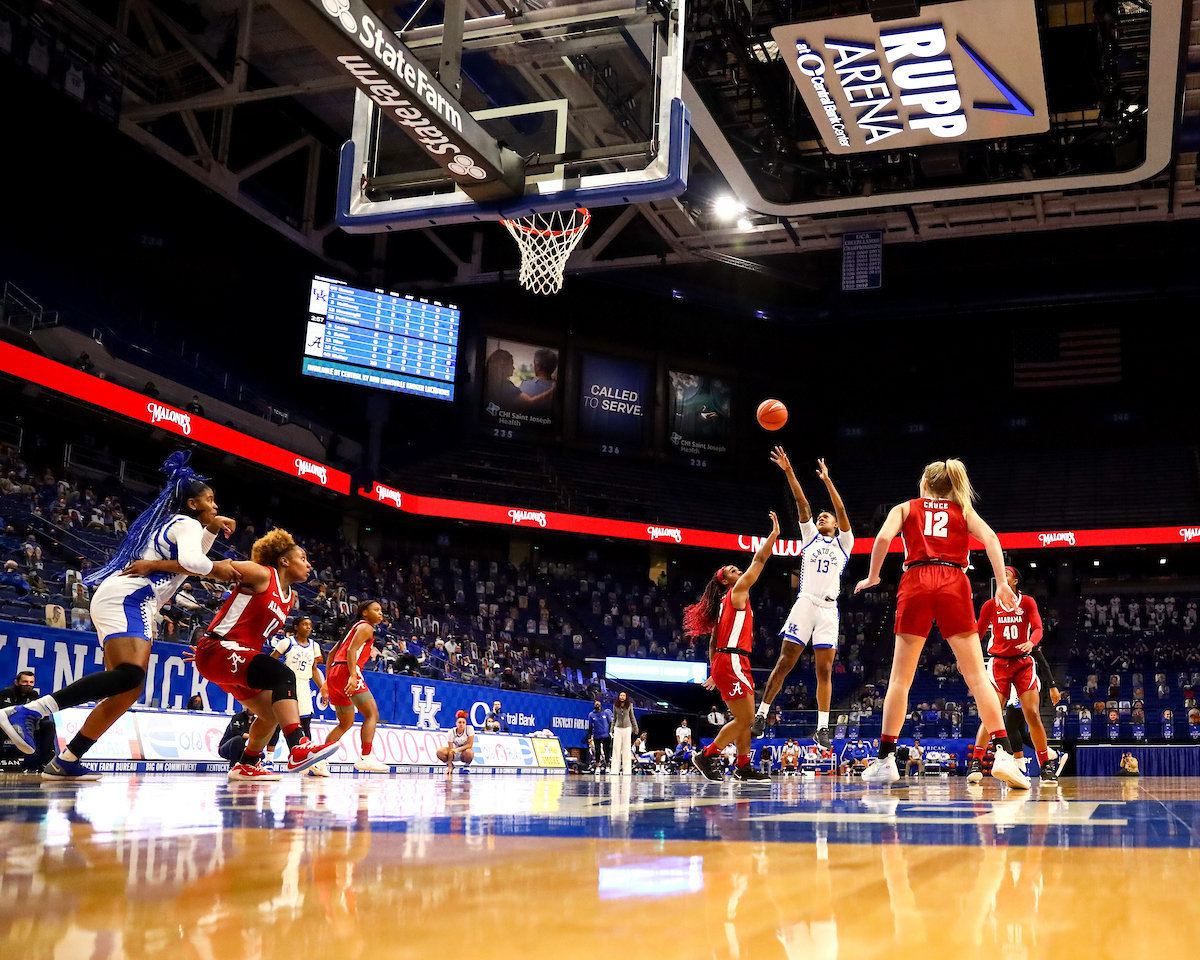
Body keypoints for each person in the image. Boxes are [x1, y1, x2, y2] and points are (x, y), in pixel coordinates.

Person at [0, 452, 240, 781]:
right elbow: (197, 565)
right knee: (129, 677)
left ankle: (68, 759)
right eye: (210, 500)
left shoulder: (182, 525)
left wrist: (208, 533)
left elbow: (189, 562)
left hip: (126, 598)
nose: (215, 505)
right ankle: (28, 711)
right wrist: (222, 570)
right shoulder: (185, 523)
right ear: (193, 504)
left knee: (126, 691)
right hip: (130, 598)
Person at [854, 459, 1029, 788]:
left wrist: (874, 575)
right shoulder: (962, 510)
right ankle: (1005, 754)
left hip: (917, 579)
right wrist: (1001, 583)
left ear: (924, 482)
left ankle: (886, 759)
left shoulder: (906, 508)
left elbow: (881, 540)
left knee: (899, 681)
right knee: (978, 677)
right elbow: (991, 538)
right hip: (954, 581)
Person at [177, 528, 337, 780]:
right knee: (284, 675)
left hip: (229, 655)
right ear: (284, 560)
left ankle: (247, 764)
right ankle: (298, 746)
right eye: (303, 558)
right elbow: (203, 566)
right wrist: (153, 566)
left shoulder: (289, 597)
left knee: (272, 712)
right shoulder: (262, 574)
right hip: (219, 649)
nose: (309, 565)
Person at [755, 450, 854, 749]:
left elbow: (842, 509)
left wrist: (827, 481)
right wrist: (788, 471)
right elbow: (802, 503)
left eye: (828, 517)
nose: (822, 516)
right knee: (785, 661)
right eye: (821, 515)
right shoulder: (809, 535)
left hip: (828, 609)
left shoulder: (844, 543)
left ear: (835, 526)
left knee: (824, 671)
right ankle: (762, 714)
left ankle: (823, 729)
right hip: (806, 602)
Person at [688, 512, 780, 783]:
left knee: (743, 718)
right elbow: (760, 560)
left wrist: (714, 671)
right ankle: (706, 755)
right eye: (732, 571)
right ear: (726, 581)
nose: (738, 571)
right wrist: (773, 535)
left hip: (728, 662)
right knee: (746, 720)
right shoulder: (737, 592)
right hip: (733, 661)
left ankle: (742, 766)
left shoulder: (721, 605)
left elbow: (713, 641)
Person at [967, 566, 1066, 785]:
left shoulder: (1028, 602)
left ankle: (1045, 766)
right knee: (991, 713)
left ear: (1014, 582)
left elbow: (1039, 628)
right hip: (999, 663)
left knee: (1032, 713)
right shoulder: (990, 605)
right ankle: (976, 762)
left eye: (1007, 574)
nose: (1002, 576)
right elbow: (977, 633)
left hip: (1022, 663)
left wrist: (1031, 641)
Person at [322, 601, 389, 772]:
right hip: (347, 671)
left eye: (381, 610)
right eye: (376, 610)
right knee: (372, 713)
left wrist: (327, 682)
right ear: (364, 613)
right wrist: (352, 675)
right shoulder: (366, 627)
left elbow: (331, 654)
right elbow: (352, 651)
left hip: (335, 673)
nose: (380, 613)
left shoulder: (351, 629)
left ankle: (319, 760)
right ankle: (366, 756)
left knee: (345, 723)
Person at [271, 615, 329, 776]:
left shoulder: (314, 646)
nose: (308, 627)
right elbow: (271, 661)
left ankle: (309, 760)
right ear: (296, 627)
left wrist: (322, 688)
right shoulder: (287, 642)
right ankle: (269, 759)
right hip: (287, 683)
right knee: (277, 723)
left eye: (310, 624)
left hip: (304, 685)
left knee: (305, 724)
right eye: (304, 624)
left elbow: (314, 669)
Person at [0, 671, 57, 772]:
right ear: (17, 682)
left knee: (48, 724)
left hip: (27, 726)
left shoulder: (33, 694)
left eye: (31, 682)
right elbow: (4, 712)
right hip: (8, 725)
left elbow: (39, 713)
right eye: (25, 682)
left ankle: (44, 763)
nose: (28, 685)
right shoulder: (7, 692)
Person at [436, 710, 474, 774]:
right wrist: (450, 766)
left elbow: (469, 745)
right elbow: (451, 749)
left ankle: (467, 766)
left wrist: (457, 749)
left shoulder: (469, 729)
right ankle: (450, 765)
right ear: (456, 723)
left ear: (465, 724)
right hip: (454, 753)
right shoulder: (451, 732)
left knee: (470, 752)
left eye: (463, 722)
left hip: (464, 753)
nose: (461, 724)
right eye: (459, 722)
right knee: (440, 752)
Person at [611, 691, 639, 776]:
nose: (622, 697)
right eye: (621, 695)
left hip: (627, 727)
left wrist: (635, 727)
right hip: (618, 727)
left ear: (626, 697)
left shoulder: (629, 705)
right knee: (616, 748)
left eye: (624, 695)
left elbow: (632, 717)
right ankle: (615, 770)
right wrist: (612, 729)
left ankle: (626, 771)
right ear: (619, 696)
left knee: (626, 749)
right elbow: (614, 718)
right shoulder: (615, 705)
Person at [586, 699, 613, 773]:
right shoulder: (591, 715)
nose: (597, 705)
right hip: (597, 736)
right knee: (597, 752)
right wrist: (589, 737)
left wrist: (611, 732)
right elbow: (590, 727)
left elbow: (610, 723)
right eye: (596, 704)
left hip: (606, 735)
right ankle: (597, 767)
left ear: (601, 705)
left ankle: (608, 766)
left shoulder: (606, 713)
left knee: (606, 751)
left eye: (598, 704)